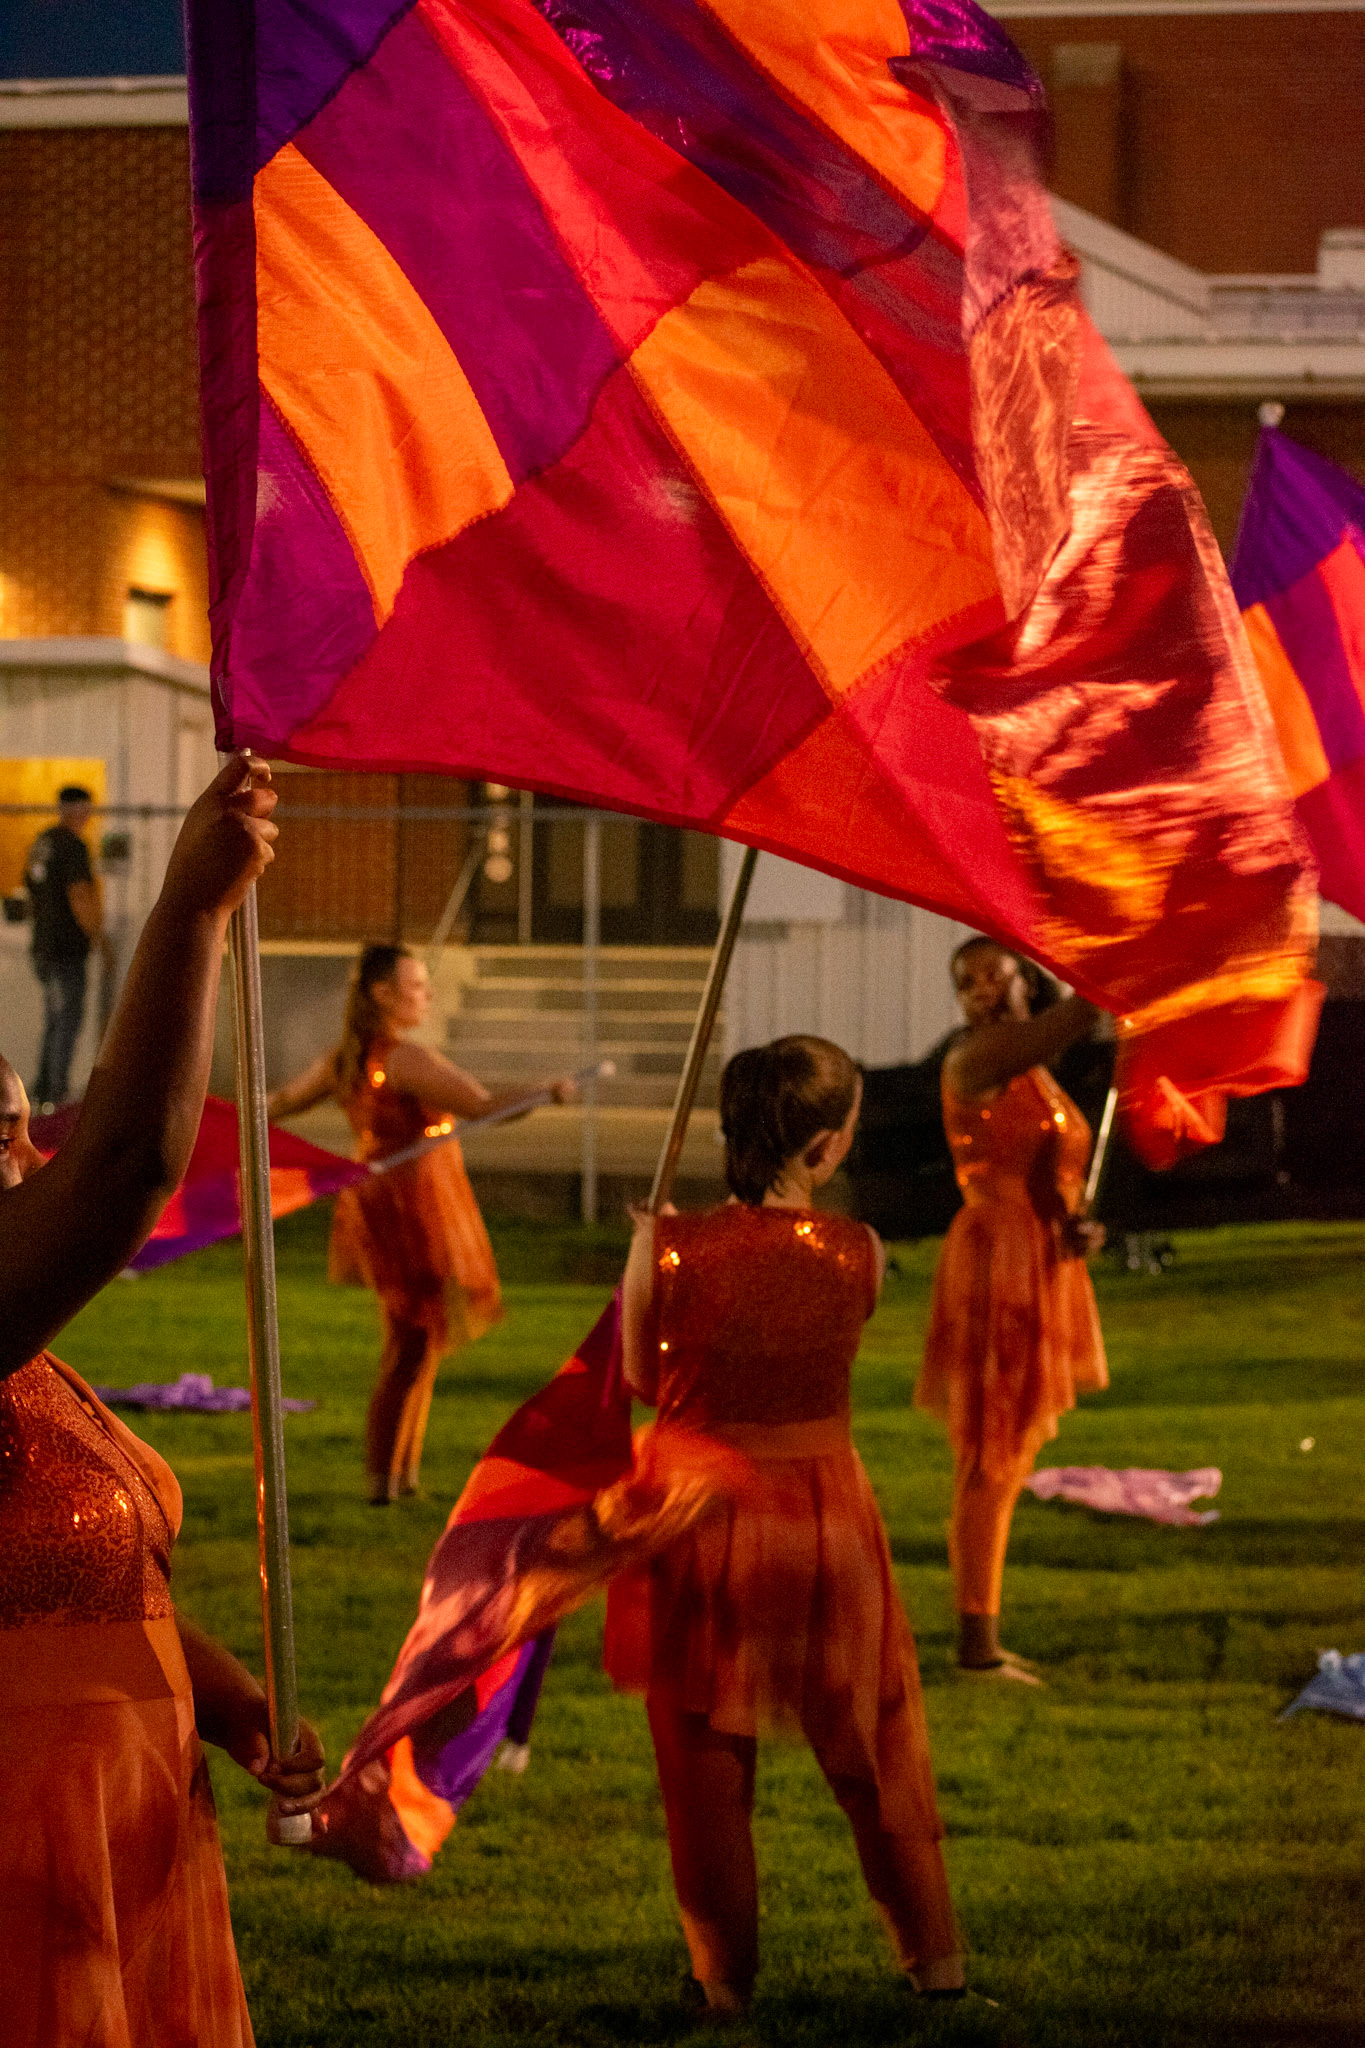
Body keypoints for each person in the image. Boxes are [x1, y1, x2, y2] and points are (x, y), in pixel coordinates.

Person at [0, 754, 325, 2048]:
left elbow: (79, 1586)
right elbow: (126, 1163)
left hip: (132, 1827)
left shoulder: (39, 1362)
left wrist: (236, 1707)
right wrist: (190, 912)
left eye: (22, 1123)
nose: (25, 1154)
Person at [606, 1035, 965, 2018]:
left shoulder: (664, 1246)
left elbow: (641, 1379)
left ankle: (722, 1978)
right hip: (827, 1511)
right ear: (825, 1146)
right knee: (875, 1737)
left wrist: (655, 1250)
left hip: (702, 1511)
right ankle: (934, 1960)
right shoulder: (861, 1250)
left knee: (705, 1762)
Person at [268, 944, 576, 1503]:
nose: (427, 995)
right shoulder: (402, 1060)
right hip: (408, 1207)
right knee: (410, 1340)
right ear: (382, 993)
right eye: (416, 985)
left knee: (421, 1335)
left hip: (388, 1202)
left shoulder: (349, 1058)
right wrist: (547, 1092)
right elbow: (482, 1107)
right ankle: (381, 1480)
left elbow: (283, 1100)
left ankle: (401, 1477)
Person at [916, 936, 1108, 1683]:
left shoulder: (1032, 1071)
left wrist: (1077, 1228)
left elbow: (1052, 1177)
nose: (978, 990)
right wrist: (1117, 969)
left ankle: (982, 1631)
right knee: (990, 1450)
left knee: (1013, 1448)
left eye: (991, 974)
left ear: (1025, 976)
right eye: (964, 982)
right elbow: (1075, 1019)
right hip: (995, 1266)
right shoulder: (976, 1060)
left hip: (1039, 1260)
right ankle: (977, 1643)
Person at [24, 783, 104, 1109]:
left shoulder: (42, 843)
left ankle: (44, 1091)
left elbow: (32, 889)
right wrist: (97, 934)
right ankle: (55, 1095)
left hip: (43, 946)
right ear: (78, 809)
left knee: (55, 1019)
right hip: (66, 948)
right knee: (66, 1020)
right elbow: (79, 894)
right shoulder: (72, 846)